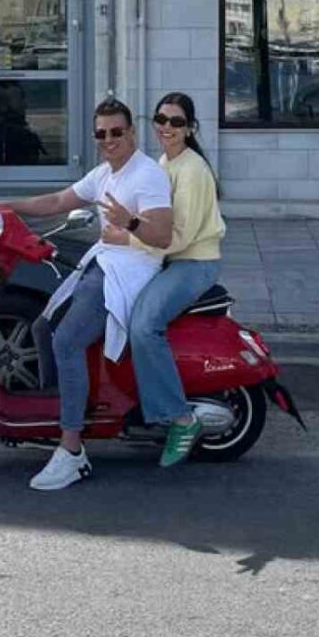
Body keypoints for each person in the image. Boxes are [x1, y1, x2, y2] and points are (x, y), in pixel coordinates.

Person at [0, 97, 172, 491]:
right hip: (103, 263)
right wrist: (3, 207)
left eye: (116, 132)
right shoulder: (103, 174)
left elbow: (162, 236)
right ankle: (58, 415)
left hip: (128, 272)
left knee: (66, 341)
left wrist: (129, 222)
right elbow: (56, 201)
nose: (109, 139)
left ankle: (72, 450)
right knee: (42, 327)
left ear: (132, 133)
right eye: (101, 134)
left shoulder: (149, 175)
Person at [105, 92, 226, 469]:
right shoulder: (163, 163)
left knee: (144, 325)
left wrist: (125, 237)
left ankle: (180, 419)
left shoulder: (192, 170)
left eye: (176, 122)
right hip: (167, 258)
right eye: (161, 120)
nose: (166, 127)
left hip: (193, 263)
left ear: (190, 128)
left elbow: (179, 237)